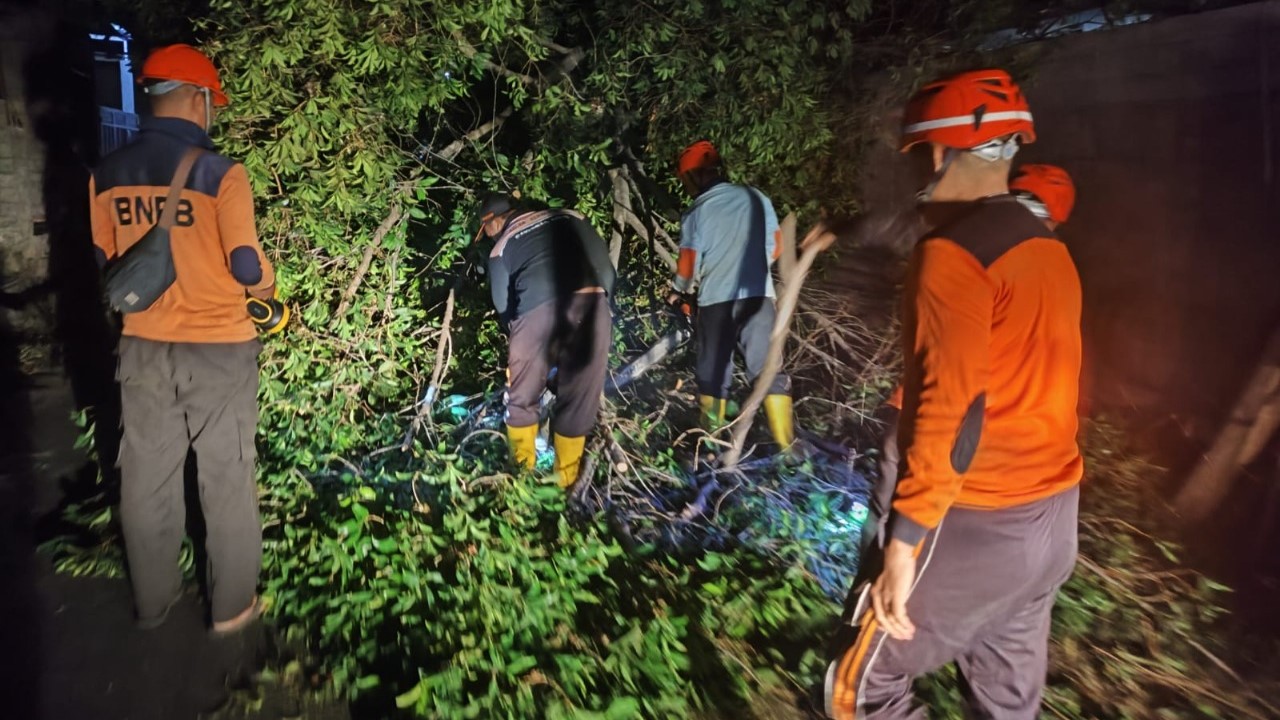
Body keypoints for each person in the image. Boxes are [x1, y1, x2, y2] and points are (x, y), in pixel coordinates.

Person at [826, 70, 1083, 719]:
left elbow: (955, 408)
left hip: (974, 520)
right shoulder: (1046, 249)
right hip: (1051, 523)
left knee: (859, 692)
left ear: (939, 153)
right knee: (1005, 705)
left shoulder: (953, 254)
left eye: (917, 155)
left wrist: (904, 547)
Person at [89, 44, 276, 633]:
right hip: (217, 347)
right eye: (211, 102)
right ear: (198, 99)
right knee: (225, 476)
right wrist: (269, 294)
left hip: (142, 345)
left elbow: (103, 259)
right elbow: (246, 266)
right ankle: (232, 608)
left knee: (146, 474)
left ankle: (152, 600)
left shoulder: (105, 174)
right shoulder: (220, 172)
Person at [875, 163, 1077, 511]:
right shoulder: (1059, 267)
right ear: (1056, 219)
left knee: (888, 528)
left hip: (941, 431)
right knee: (897, 539)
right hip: (954, 443)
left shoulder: (978, 247)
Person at [478, 193, 615, 487]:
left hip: (535, 313)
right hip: (591, 306)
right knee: (578, 400)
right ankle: (564, 486)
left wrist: (524, 346)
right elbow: (605, 270)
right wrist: (603, 308)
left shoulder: (501, 248)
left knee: (522, 398)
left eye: (484, 230)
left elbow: (503, 307)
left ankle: (520, 483)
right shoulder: (570, 216)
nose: (487, 237)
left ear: (495, 220)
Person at [667, 140, 793, 449]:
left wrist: (677, 293)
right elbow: (776, 247)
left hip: (717, 304)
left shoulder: (697, 211)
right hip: (759, 299)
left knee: (712, 375)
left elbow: (688, 265)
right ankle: (788, 448)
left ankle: (710, 448)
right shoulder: (756, 198)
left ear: (692, 177)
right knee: (767, 371)